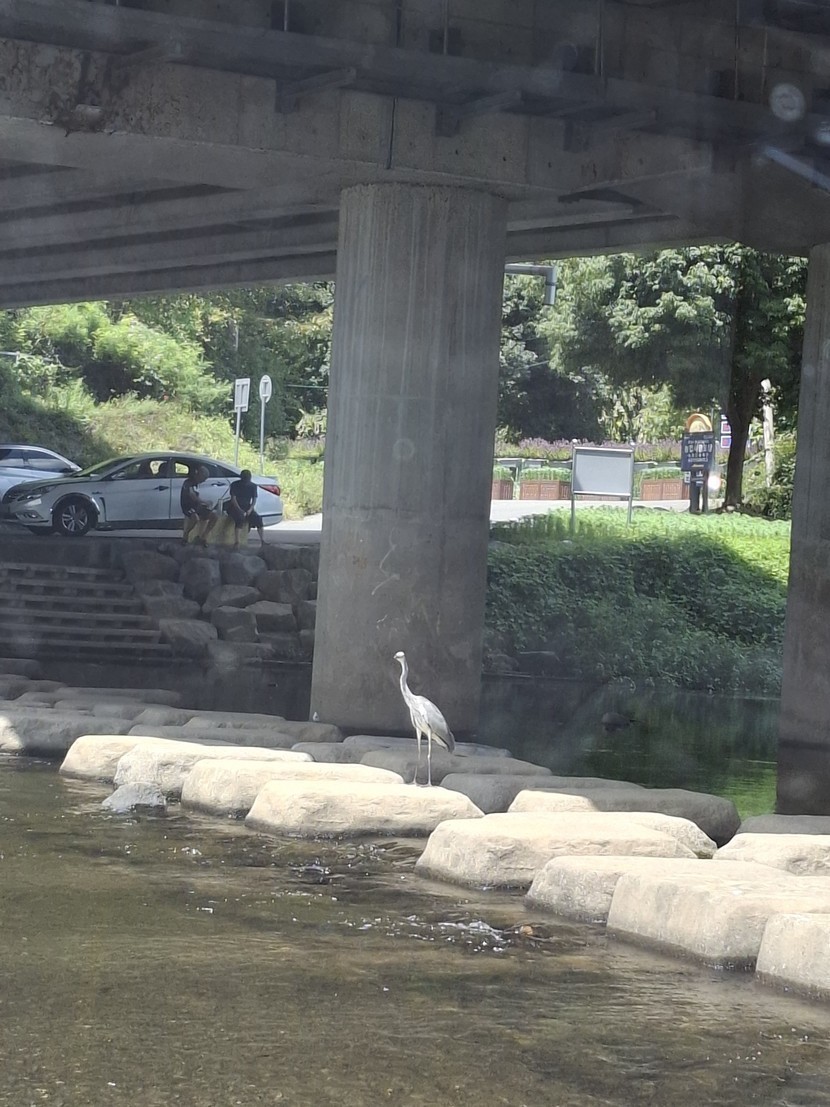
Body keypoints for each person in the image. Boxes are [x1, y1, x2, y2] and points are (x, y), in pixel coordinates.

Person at [225, 469, 265, 549]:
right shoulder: (235, 485)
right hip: (234, 506)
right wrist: (239, 510)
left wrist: (250, 510)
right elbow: (233, 499)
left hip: (247, 506)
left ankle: (262, 540)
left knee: (258, 519)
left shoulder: (253, 486)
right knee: (240, 518)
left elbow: (254, 500)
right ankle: (237, 541)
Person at [181, 465, 218, 545]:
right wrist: (204, 502)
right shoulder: (188, 482)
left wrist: (206, 504)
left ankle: (203, 537)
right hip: (188, 506)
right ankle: (186, 535)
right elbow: (192, 495)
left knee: (214, 516)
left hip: (197, 506)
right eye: (203, 479)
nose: (203, 481)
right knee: (195, 518)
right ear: (199, 475)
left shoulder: (196, 484)